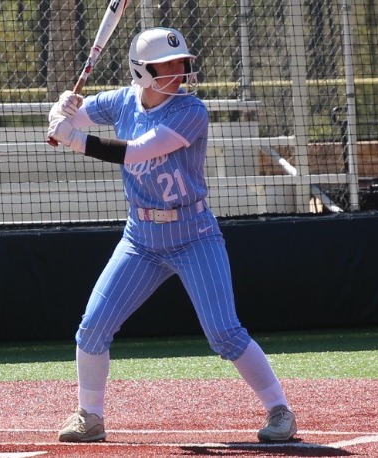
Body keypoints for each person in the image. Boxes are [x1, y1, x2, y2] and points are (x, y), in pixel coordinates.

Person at [47, 27, 297, 443]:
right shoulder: (122, 100)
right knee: (92, 328)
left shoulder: (191, 111)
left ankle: (280, 412)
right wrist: (62, 109)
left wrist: (72, 137)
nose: (179, 71)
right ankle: (90, 416)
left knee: (224, 333)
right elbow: (76, 115)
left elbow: (137, 150)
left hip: (193, 233)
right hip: (140, 238)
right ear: (142, 71)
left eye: (182, 63)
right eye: (168, 65)